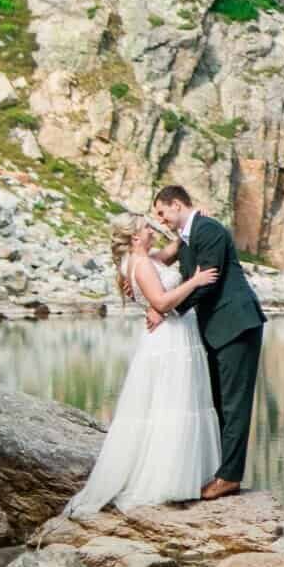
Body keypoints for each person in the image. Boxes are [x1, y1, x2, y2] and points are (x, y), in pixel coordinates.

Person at [67, 216, 221, 515]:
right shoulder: (141, 264)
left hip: (173, 337)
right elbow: (162, 303)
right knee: (173, 407)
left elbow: (175, 247)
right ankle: (168, 481)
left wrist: (192, 219)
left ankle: (178, 475)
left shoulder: (143, 260)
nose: (153, 231)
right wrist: (195, 281)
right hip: (170, 340)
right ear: (136, 238)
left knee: (172, 405)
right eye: (147, 228)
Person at [151, 185, 266, 501]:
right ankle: (221, 470)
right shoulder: (189, 237)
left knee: (234, 403)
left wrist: (169, 311)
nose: (160, 219)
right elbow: (176, 269)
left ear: (176, 205)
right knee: (219, 401)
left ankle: (229, 477)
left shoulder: (209, 229)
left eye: (162, 212)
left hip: (236, 324)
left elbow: (208, 283)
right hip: (217, 328)